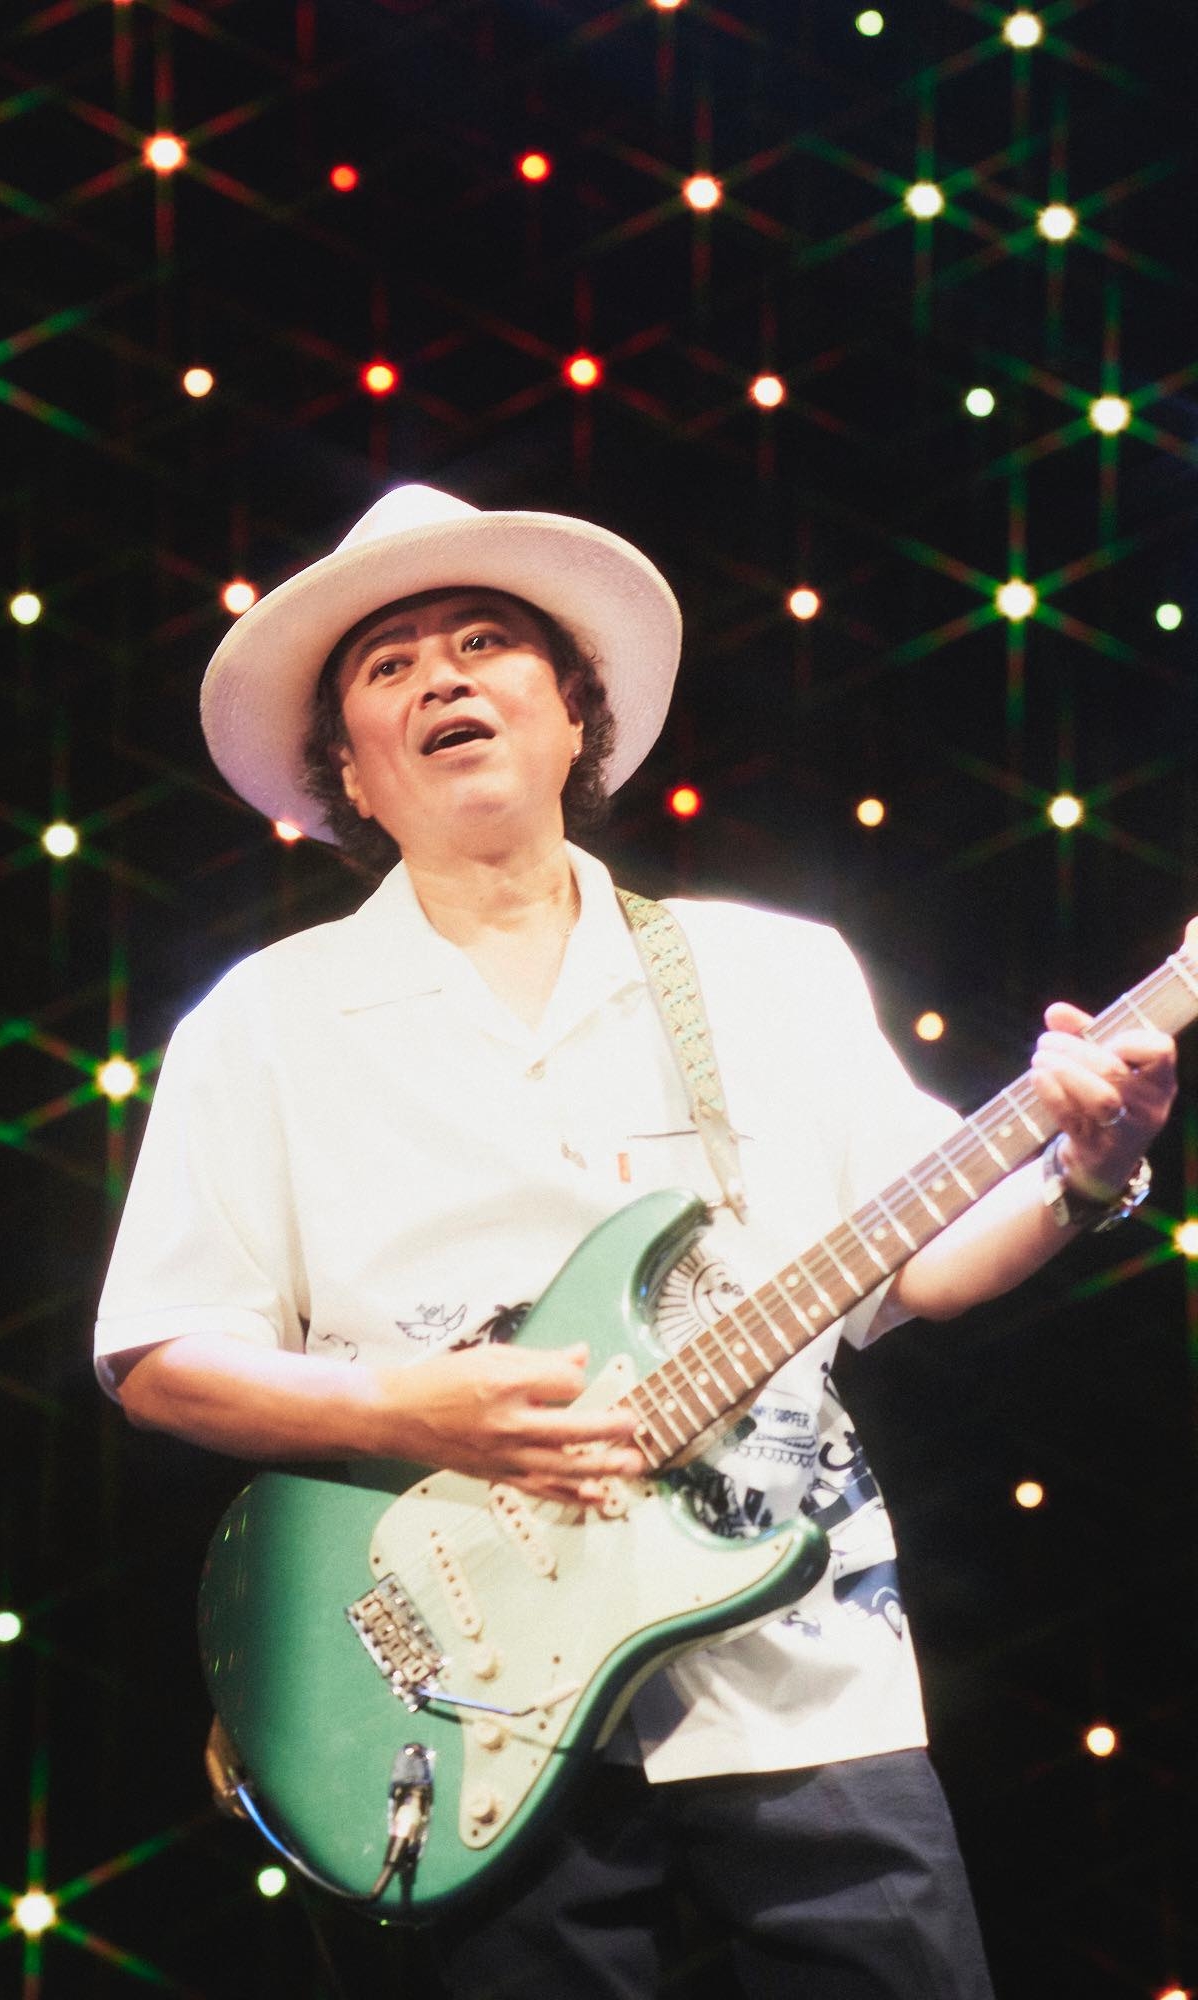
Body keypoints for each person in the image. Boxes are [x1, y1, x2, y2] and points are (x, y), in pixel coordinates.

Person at [93, 484, 1176, 1998]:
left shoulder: (772, 973)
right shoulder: (265, 1025)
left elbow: (920, 1263)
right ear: (350, 772)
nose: (446, 678)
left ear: (572, 717)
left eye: (486, 643)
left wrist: (1083, 1169)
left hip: (800, 1675)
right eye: (392, 666)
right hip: (458, 1703)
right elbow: (159, 1358)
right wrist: (407, 1409)